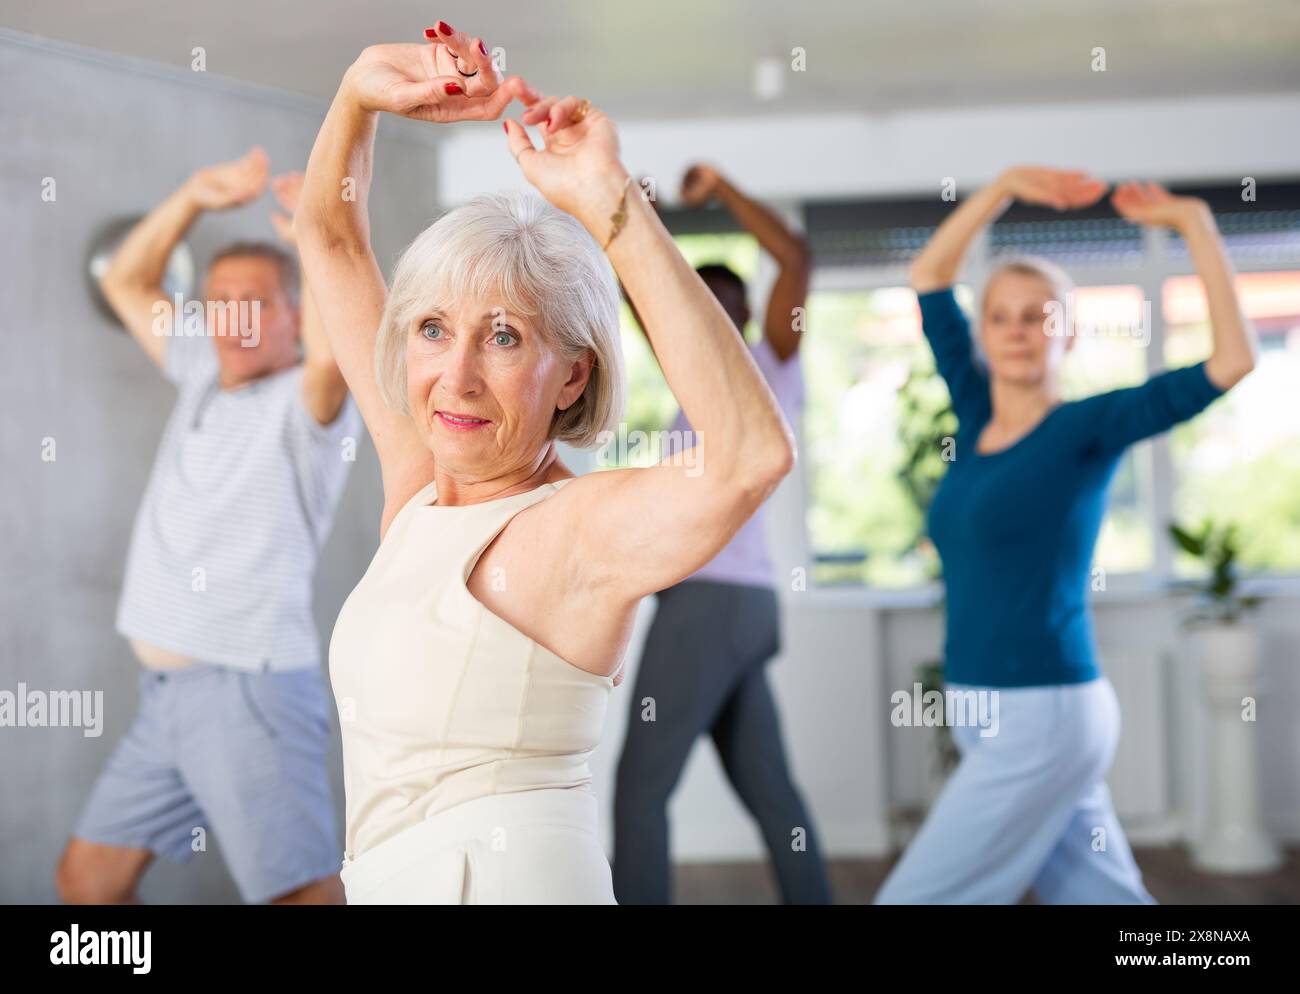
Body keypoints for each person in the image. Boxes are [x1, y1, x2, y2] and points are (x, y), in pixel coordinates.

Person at [294, 21, 795, 904]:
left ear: (573, 374)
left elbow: (749, 455)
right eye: (433, 329)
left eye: (504, 338)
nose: (457, 375)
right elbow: (331, 239)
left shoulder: (575, 529)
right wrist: (358, 93)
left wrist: (610, 201)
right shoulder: (421, 487)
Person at [874, 167, 1258, 904]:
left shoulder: (1088, 427)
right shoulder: (975, 410)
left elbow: (1231, 361)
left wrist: (1193, 224)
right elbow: (929, 273)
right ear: (983, 333)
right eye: (1002, 317)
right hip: (986, 707)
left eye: (1038, 316)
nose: (1018, 332)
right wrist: (1005, 186)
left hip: (1041, 713)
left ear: (1069, 331)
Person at [56, 150, 360, 905]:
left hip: (246, 691)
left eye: (255, 302)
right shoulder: (200, 367)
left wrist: (319, 241)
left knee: (301, 895)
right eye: (219, 301)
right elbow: (127, 280)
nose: (232, 318)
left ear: (294, 313)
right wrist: (192, 195)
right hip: (168, 696)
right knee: (89, 884)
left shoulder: (307, 404)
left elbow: (334, 353)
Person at [612, 164, 832, 904]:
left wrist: (727, 189)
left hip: (711, 604)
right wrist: (632, 215)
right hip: (735, 609)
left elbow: (796, 258)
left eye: (719, 305)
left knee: (638, 793)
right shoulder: (692, 390)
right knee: (772, 795)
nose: (697, 315)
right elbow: (640, 295)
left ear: (738, 316)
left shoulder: (769, 366)